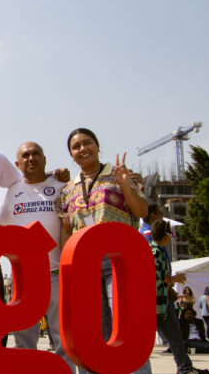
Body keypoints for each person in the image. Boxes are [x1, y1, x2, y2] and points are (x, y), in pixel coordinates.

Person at [57, 128, 147, 342]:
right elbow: (66, 230)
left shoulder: (119, 175)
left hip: (119, 259)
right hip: (85, 262)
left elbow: (142, 211)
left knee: (125, 322)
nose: (82, 149)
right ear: (71, 155)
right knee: (95, 327)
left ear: (97, 146)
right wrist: (67, 266)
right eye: (76, 147)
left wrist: (125, 184)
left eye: (87, 143)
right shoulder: (68, 189)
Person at [0, 141, 68, 367]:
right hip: (25, 277)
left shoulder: (61, 184)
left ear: (45, 160)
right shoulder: (13, 189)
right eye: (25, 155)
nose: (31, 158)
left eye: (36, 153)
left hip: (57, 273)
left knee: (62, 337)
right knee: (24, 338)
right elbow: (0, 224)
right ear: (18, 164)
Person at [151, 221, 209, 374]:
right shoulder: (155, 253)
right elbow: (152, 279)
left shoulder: (157, 251)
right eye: (169, 235)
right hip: (159, 304)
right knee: (175, 337)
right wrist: (172, 279)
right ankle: (185, 370)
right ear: (165, 237)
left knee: (175, 336)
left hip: (161, 303)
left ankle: (185, 367)